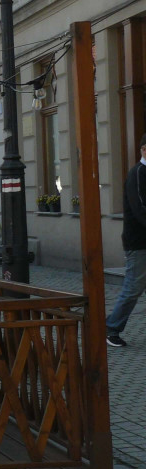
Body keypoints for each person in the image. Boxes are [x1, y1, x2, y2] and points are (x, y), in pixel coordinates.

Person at [105, 133, 146, 347]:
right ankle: (111, 327)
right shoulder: (137, 173)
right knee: (133, 287)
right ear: (144, 150)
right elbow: (140, 208)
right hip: (138, 242)